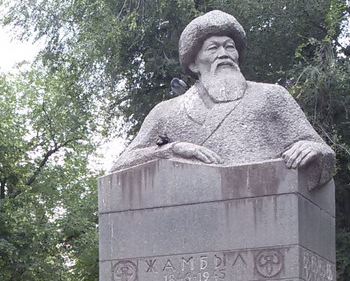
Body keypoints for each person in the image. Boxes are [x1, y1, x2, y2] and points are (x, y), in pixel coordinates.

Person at [109, 10, 335, 188]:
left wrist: (312, 148)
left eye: (229, 47)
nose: (224, 53)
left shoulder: (271, 96)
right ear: (194, 63)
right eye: (213, 48)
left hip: (264, 202)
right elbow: (121, 166)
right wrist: (171, 150)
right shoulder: (166, 113)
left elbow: (319, 149)